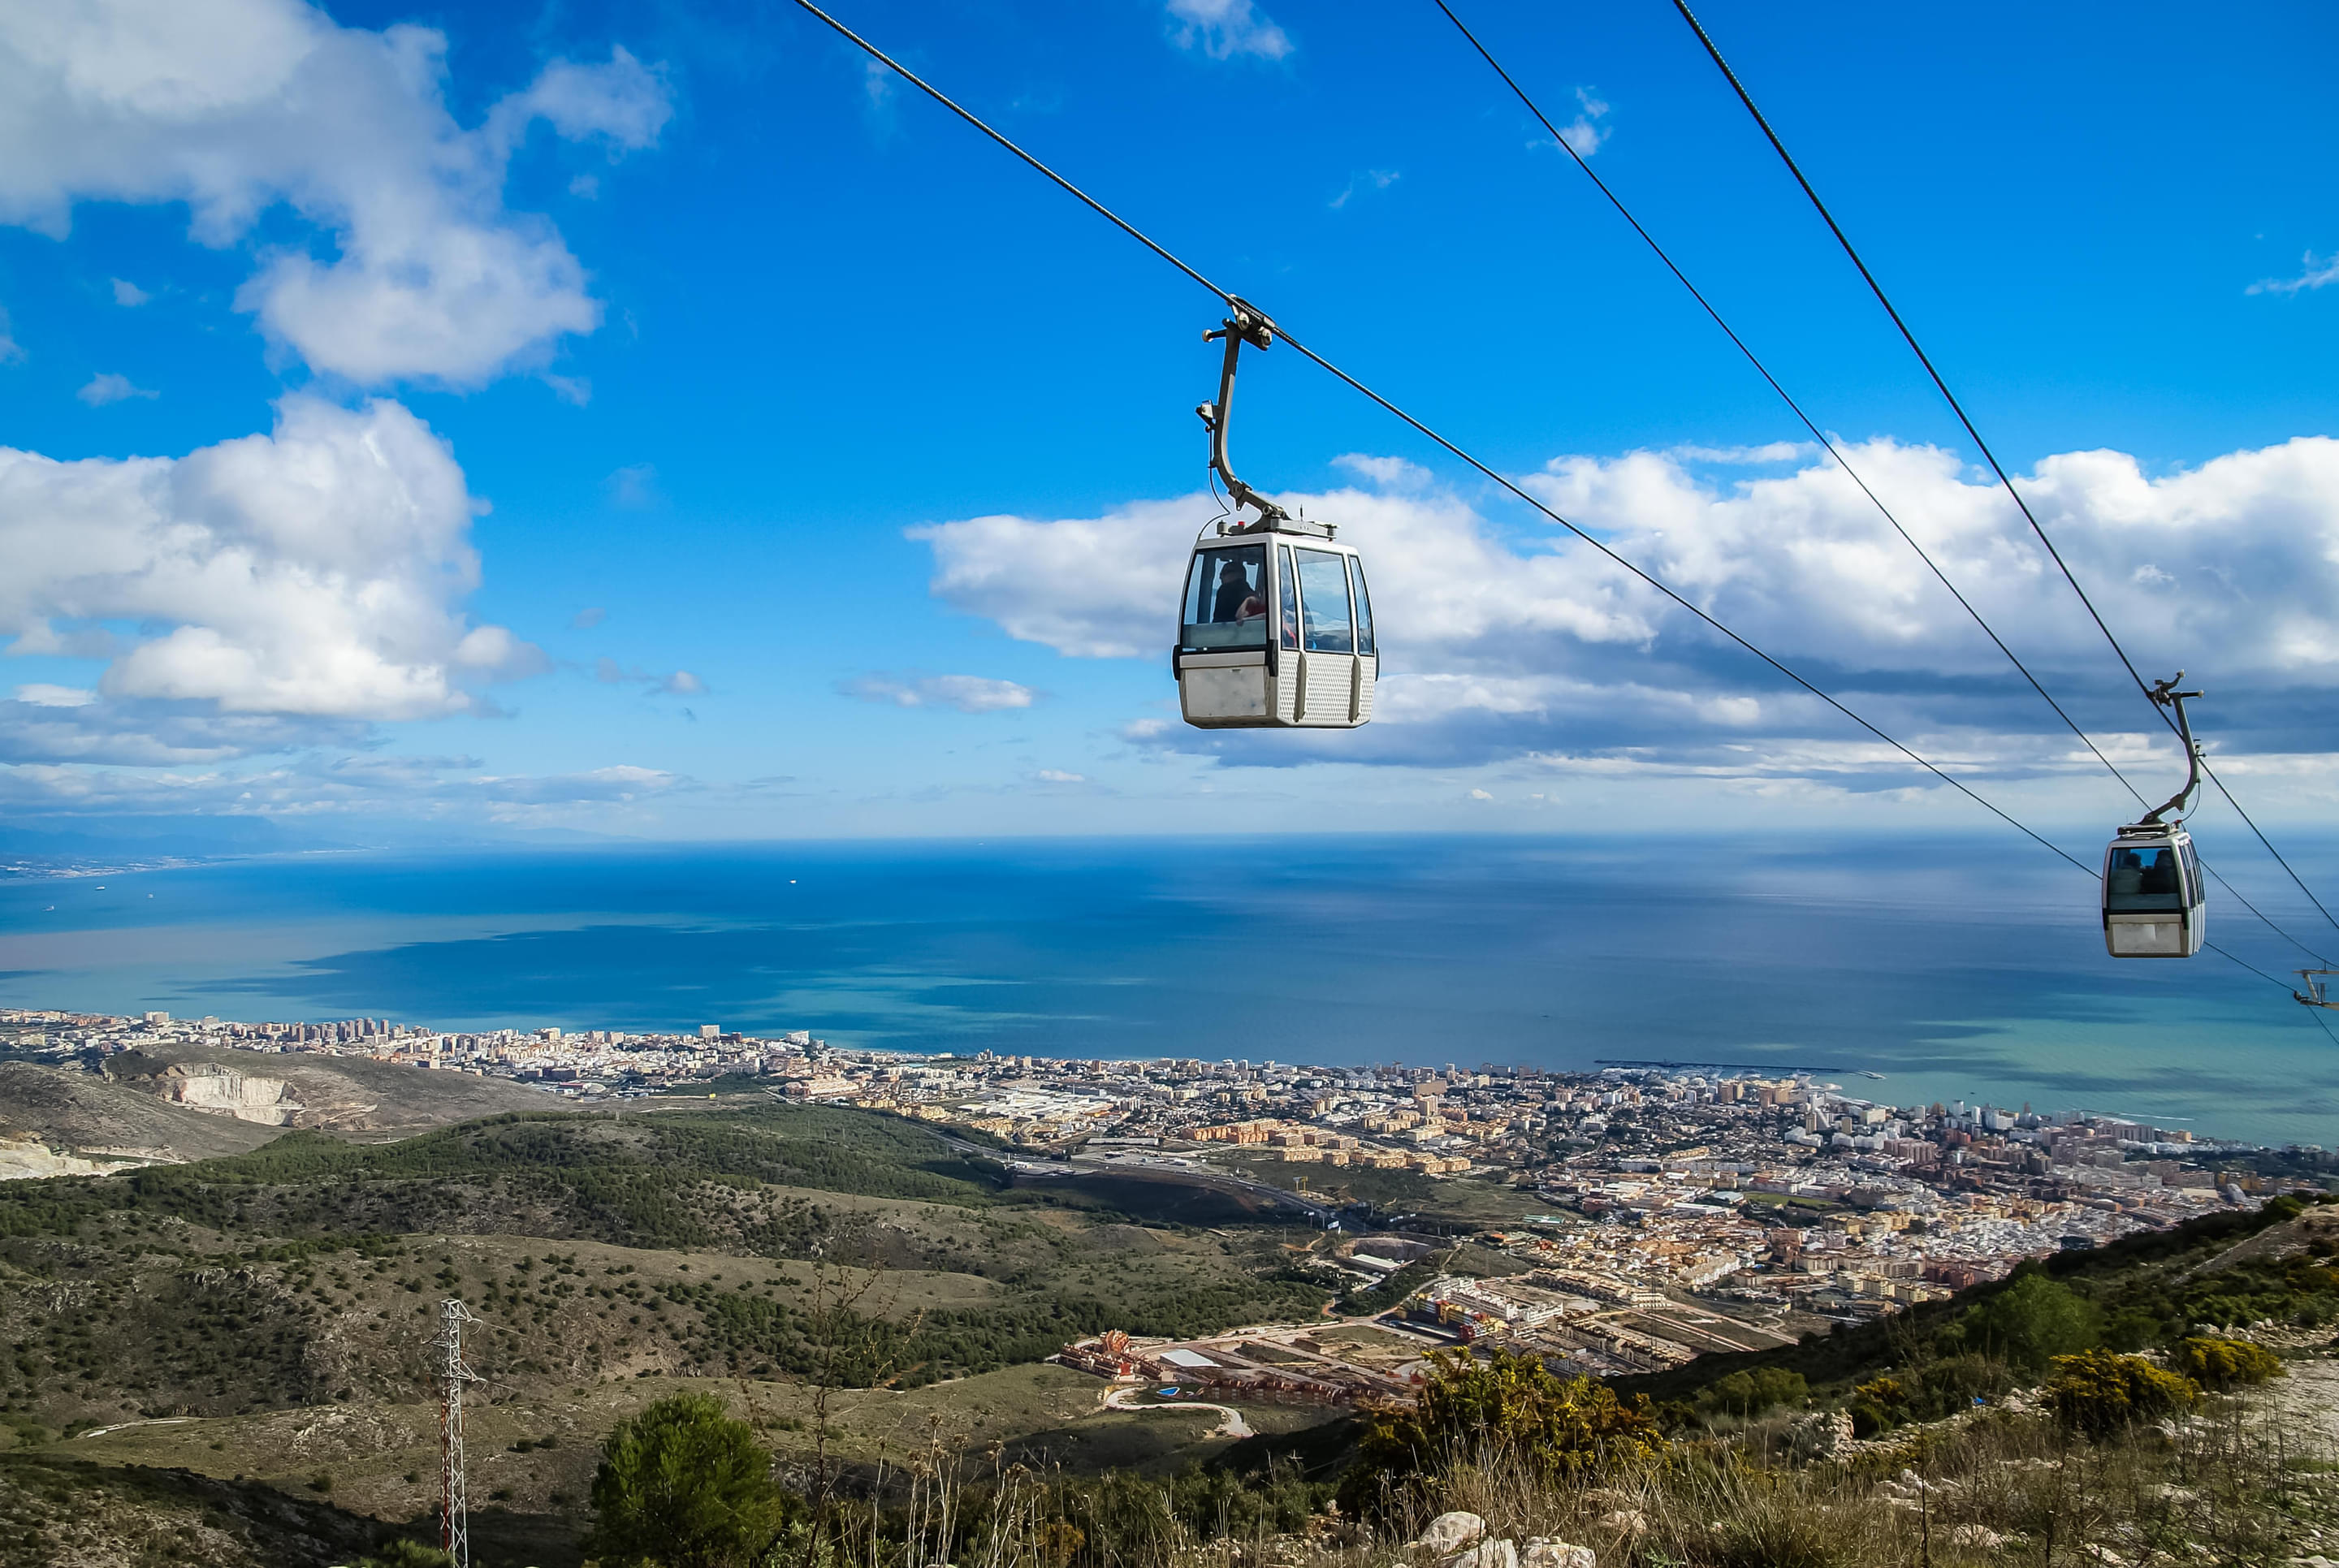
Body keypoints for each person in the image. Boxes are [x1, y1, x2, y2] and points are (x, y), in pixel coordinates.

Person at [1211, 557, 1255, 622]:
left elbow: (1219, 620)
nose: (1220, 577)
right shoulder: (1253, 595)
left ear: (1239, 574)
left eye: (1224, 573)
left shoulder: (1225, 590)